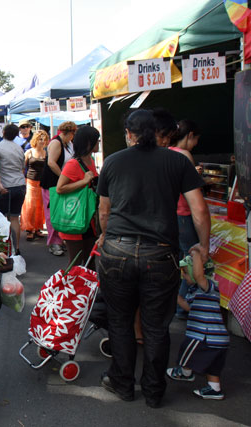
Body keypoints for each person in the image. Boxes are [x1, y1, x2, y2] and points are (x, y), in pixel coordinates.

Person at [96, 109, 210, 409]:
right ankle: (154, 391)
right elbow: (199, 210)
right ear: (160, 133)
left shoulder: (113, 161)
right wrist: (204, 247)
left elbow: (104, 211)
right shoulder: (177, 161)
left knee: (120, 321)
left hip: (117, 251)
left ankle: (122, 383)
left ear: (130, 134)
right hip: (160, 253)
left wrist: (106, 236)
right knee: (156, 326)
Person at [166, 249, 228, 400]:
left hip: (203, 335)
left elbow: (199, 276)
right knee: (213, 367)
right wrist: (175, 295)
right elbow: (188, 307)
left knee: (186, 351)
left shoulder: (207, 286)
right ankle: (215, 389)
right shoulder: (196, 290)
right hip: (219, 339)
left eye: (186, 272)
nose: (184, 276)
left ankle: (184, 372)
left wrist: (196, 255)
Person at [169, 119, 201, 318]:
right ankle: (183, 306)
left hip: (171, 214)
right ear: (189, 136)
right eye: (196, 139)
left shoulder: (166, 152)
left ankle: (177, 304)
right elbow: (194, 197)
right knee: (189, 261)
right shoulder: (184, 156)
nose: (196, 143)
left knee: (178, 262)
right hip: (184, 214)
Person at [55, 126, 100, 268]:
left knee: (89, 261)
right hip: (75, 219)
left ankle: (87, 289)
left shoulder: (90, 160)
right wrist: (84, 181)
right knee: (76, 262)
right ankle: (70, 289)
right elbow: (60, 188)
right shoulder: (73, 164)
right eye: (96, 141)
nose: (98, 143)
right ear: (88, 143)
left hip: (89, 219)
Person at [40, 121, 77, 256]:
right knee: (52, 213)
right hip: (52, 182)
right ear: (70, 132)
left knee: (61, 212)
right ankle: (54, 242)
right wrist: (63, 176)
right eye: (74, 133)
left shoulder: (68, 144)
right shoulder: (56, 142)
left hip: (62, 182)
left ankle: (60, 239)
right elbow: (51, 162)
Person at [0, 123, 26, 254]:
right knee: (15, 218)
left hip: (4, 187)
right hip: (19, 185)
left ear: (3, 132)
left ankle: (2, 249)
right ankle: (16, 249)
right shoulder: (19, 148)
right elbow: (23, 167)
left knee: (0, 218)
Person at [21, 130, 49, 241]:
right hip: (30, 182)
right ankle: (29, 228)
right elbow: (22, 167)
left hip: (42, 182)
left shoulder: (46, 153)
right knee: (30, 205)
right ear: (35, 140)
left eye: (44, 139)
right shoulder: (29, 152)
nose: (42, 141)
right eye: (40, 139)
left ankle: (37, 228)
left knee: (40, 206)